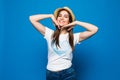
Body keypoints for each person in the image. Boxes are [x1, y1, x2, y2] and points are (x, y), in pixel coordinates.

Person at [29, 6, 98, 80]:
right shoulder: (49, 34)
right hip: (51, 73)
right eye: (60, 16)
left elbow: (94, 29)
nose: (62, 18)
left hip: (68, 73)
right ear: (56, 19)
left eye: (65, 17)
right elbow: (32, 19)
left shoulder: (74, 37)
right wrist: (50, 15)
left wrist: (76, 22)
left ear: (69, 21)